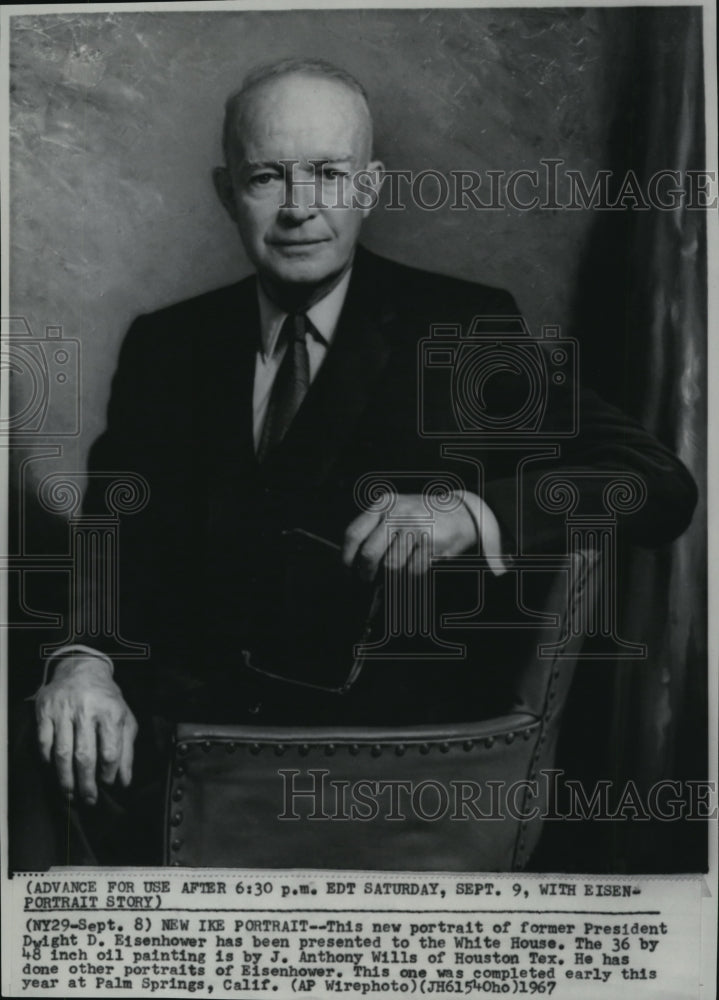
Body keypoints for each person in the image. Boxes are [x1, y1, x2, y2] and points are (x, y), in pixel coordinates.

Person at [21, 58, 697, 865]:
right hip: (163, 747)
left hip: (364, 773)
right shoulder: (168, 344)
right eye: (268, 175)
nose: (300, 209)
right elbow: (111, 534)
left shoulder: (464, 329)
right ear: (224, 189)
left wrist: (473, 514)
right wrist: (83, 660)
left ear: (370, 187)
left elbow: (653, 481)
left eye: (328, 174)